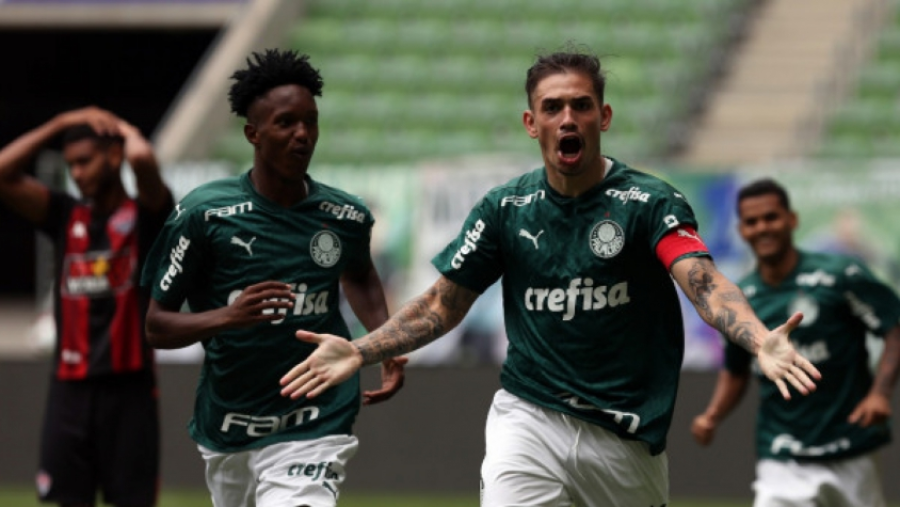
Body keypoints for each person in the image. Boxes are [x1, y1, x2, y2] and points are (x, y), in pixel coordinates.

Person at [279, 49, 821, 507]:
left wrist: (758, 339)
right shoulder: (505, 208)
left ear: (603, 117)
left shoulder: (649, 202)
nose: (567, 118)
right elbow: (443, 304)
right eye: (552, 107)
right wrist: (361, 350)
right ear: (531, 122)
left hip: (626, 438)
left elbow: (702, 281)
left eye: (581, 105)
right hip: (529, 417)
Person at [140, 48, 406, 507]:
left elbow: (360, 276)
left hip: (318, 416)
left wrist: (384, 342)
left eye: (310, 122)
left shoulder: (344, 216)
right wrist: (228, 317)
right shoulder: (204, 214)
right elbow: (156, 326)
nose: (302, 134)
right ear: (253, 134)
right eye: (286, 123)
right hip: (231, 423)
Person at [0, 107, 173, 507]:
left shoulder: (146, 215)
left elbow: (142, 159)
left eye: (85, 161)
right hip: (69, 393)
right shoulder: (65, 215)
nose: (76, 173)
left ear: (113, 156)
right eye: (71, 165)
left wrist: (123, 127)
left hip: (129, 391)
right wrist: (60, 122)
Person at [691, 178, 900, 507]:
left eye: (771, 217)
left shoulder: (841, 275)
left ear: (792, 219)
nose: (762, 228)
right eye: (752, 221)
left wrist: (880, 394)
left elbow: (894, 327)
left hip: (852, 449)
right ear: (742, 230)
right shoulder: (742, 301)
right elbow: (735, 370)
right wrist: (712, 415)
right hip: (782, 456)